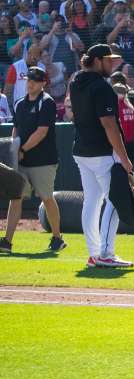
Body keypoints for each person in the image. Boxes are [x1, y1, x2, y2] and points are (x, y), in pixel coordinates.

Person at [69, 44, 134, 269]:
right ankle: (106, 253)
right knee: (115, 199)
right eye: (108, 60)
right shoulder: (101, 87)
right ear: (97, 60)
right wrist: (124, 158)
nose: (112, 64)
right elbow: (109, 125)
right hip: (101, 153)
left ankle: (94, 253)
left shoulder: (76, 81)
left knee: (91, 202)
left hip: (81, 150)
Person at [2, 67, 65, 254]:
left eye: (35, 81)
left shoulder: (47, 102)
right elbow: (16, 129)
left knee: (46, 198)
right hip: (21, 161)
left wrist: (22, 149)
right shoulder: (20, 103)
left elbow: (42, 132)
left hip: (43, 161)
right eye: (28, 80)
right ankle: (7, 241)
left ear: (43, 83)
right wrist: (15, 150)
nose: (30, 84)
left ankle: (57, 237)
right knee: (16, 197)